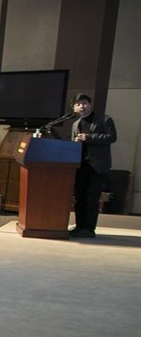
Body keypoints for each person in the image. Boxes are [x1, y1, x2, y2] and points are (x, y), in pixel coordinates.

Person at [65, 93, 116, 239]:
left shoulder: (104, 120)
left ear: (90, 104)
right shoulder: (76, 124)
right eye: (79, 104)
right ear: (74, 108)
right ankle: (80, 226)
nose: (82, 106)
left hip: (97, 166)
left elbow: (112, 137)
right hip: (81, 165)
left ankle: (89, 229)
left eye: (85, 103)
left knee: (92, 198)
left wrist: (89, 137)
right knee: (80, 197)